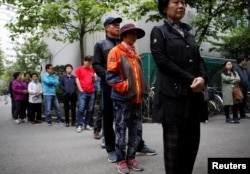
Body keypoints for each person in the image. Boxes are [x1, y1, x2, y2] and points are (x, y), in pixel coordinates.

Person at [150, 0, 208, 173]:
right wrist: (192, 79)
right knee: (175, 150)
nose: (181, 5)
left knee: (191, 145)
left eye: (183, 2)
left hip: (192, 98)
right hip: (172, 98)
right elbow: (162, 62)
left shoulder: (189, 34)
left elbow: (199, 60)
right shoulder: (159, 31)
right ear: (164, 7)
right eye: (176, 2)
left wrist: (203, 78)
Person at [93, 16, 156, 163]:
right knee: (109, 117)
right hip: (109, 87)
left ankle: (138, 144)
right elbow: (96, 65)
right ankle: (111, 149)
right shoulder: (101, 44)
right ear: (106, 28)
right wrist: (111, 79)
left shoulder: (127, 44)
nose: (117, 27)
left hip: (130, 89)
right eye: (114, 25)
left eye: (118, 25)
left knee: (134, 119)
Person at [106, 23, 146, 174]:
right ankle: (121, 160)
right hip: (122, 99)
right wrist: (126, 86)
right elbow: (110, 76)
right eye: (132, 33)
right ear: (124, 35)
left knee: (136, 129)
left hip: (137, 98)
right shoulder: (115, 51)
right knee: (121, 130)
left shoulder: (134, 53)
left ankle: (131, 157)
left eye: (136, 34)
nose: (135, 36)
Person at [75, 55, 96, 132]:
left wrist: (94, 78)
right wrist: (80, 89)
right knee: (81, 108)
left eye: (91, 62)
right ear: (84, 61)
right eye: (88, 62)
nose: (89, 64)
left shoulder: (92, 70)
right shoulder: (79, 69)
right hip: (83, 92)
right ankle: (79, 125)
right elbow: (77, 79)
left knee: (90, 109)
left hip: (91, 91)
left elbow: (94, 81)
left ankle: (87, 124)